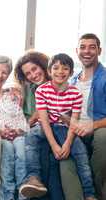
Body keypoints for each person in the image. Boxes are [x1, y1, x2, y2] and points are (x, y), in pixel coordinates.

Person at [14, 51, 84, 200]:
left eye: (34, 69)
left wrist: (29, 123)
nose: (33, 75)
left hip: (61, 130)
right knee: (40, 149)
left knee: (48, 155)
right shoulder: (32, 89)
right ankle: (34, 185)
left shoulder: (61, 84)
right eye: (28, 74)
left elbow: (52, 114)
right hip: (44, 131)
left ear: (44, 67)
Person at [36, 53, 96, 200]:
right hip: (48, 127)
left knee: (81, 154)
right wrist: (55, 146)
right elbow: (43, 120)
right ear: (49, 71)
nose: (60, 72)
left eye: (65, 68)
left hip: (66, 128)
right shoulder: (42, 91)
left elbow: (74, 122)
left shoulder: (75, 93)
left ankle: (89, 193)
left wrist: (68, 144)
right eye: (55, 68)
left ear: (70, 72)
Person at [0, 55, 29, 200]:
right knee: (7, 148)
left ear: (8, 75)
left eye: (4, 72)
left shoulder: (11, 95)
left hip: (16, 136)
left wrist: (16, 131)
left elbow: (22, 122)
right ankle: (7, 196)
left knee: (22, 146)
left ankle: (24, 193)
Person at [68, 33, 106, 200]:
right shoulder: (72, 81)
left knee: (102, 137)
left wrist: (93, 125)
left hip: (98, 128)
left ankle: (96, 193)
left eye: (92, 47)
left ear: (99, 50)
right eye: (83, 47)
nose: (87, 51)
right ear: (77, 51)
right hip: (74, 130)